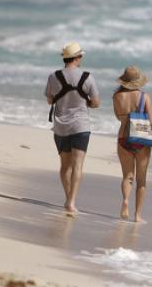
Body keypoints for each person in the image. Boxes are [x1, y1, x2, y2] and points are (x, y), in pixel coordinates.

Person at [45, 42, 100, 215]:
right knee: (77, 165)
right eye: (81, 55)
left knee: (65, 166)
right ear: (77, 57)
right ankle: (72, 201)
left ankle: (68, 197)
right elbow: (96, 103)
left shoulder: (54, 77)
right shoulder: (88, 77)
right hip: (81, 125)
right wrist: (85, 102)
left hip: (60, 126)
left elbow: (49, 100)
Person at [113, 65, 152, 222]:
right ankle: (137, 215)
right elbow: (151, 122)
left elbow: (118, 117)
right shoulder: (144, 97)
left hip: (123, 137)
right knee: (141, 179)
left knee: (127, 176)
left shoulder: (117, 97)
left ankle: (125, 201)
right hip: (141, 139)